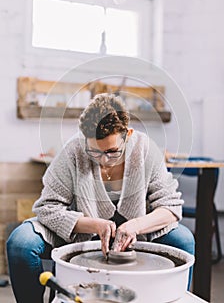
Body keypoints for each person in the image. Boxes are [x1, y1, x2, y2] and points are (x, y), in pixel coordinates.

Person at [7, 93, 194, 303]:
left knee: (183, 240)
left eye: (112, 151)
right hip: (82, 231)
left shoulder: (145, 149)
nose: (104, 161)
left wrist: (136, 226)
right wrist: (93, 225)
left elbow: (170, 207)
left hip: (137, 231)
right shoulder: (74, 150)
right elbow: (48, 207)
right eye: (94, 152)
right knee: (20, 243)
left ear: (128, 135)